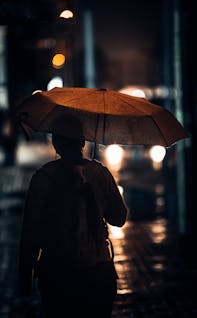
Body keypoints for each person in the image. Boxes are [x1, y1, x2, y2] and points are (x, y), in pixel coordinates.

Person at [19, 118, 128, 318]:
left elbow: (30, 232)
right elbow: (119, 218)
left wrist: (24, 275)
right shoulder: (100, 175)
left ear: (56, 144)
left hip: (56, 274)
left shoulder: (43, 178)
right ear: (83, 143)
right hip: (97, 271)